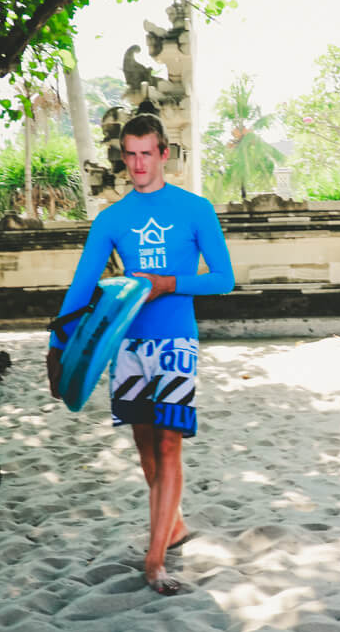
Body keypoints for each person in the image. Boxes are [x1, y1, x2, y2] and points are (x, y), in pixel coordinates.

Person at [47, 113, 234, 595]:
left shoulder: (195, 209)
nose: (137, 164)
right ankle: (171, 525)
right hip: (127, 343)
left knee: (170, 444)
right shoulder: (111, 219)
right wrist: (56, 343)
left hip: (176, 341)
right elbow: (83, 284)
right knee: (147, 448)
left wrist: (169, 283)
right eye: (129, 154)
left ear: (164, 154)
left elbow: (222, 279)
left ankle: (155, 561)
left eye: (146, 153)